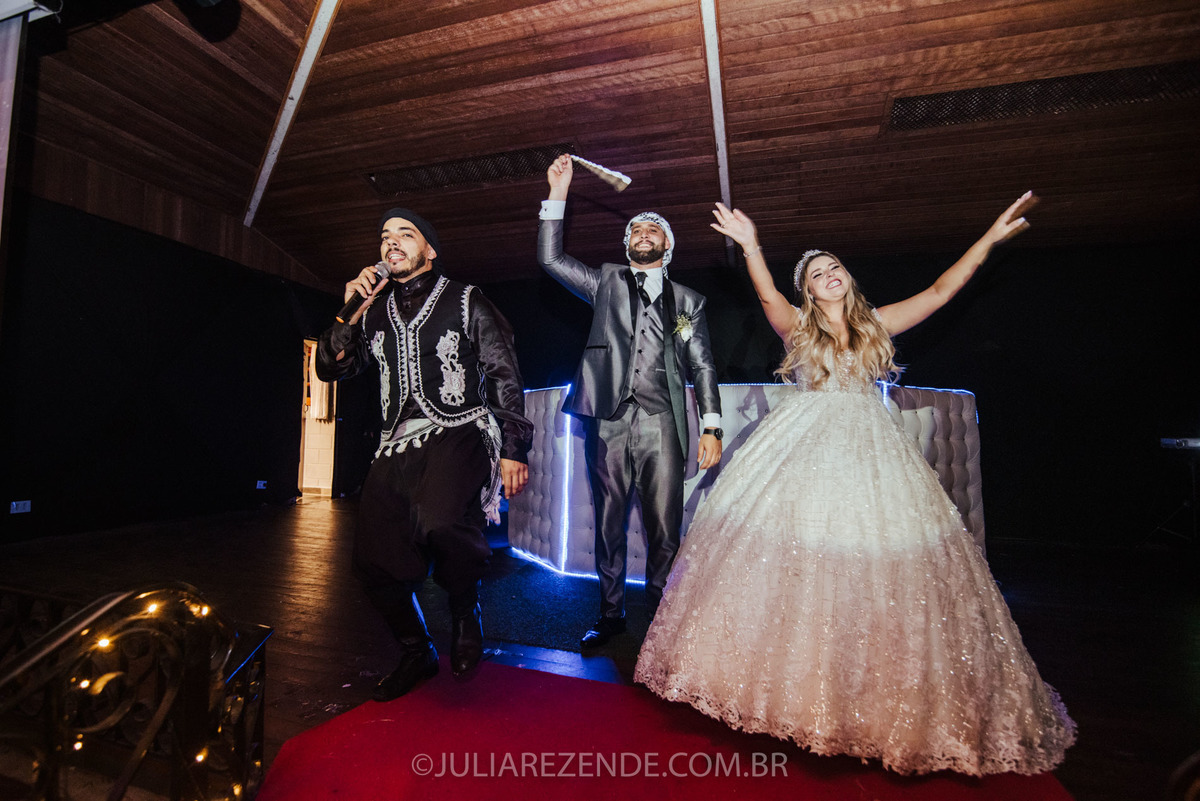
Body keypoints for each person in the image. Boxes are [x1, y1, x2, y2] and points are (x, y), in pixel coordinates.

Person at [634, 193, 1077, 775]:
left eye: (835, 267)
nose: (829, 275)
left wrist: (990, 238)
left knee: (884, 567)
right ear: (808, 292)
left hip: (873, 452)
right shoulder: (798, 329)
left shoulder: (877, 325)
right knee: (799, 564)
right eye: (817, 274)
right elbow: (766, 296)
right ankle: (794, 695)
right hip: (803, 449)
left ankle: (871, 698)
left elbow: (941, 291)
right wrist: (751, 247)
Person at [316, 208, 533, 701]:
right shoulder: (371, 311)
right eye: (385, 236)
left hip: (460, 428)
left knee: (441, 522)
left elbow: (504, 371)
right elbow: (330, 368)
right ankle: (416, 651)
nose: (392, 242)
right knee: (372, 560)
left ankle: (464, 607)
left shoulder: (467, 299)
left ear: (429, 250)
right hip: (395, 443)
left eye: (405, 234)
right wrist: (350, 309)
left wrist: (514, 446)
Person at [538, 154, 723, 648]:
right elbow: (551, 259)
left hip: (662, 421)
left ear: (667, 245)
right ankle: (610, 614)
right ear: (626, 244)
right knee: (608, 522)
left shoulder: (689, 301)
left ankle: (660, 620)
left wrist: (712, 425)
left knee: (665, 528)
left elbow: (703, 364)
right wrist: (558, 193)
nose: (643, 233)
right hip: (608, 419)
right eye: (635, 229)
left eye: (653, 229)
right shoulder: (605, 281)